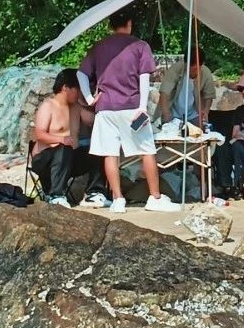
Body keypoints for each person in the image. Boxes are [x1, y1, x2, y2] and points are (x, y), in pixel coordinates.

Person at [78, 11, 178, 213]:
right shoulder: (140, 46)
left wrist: (89, 99)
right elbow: (144, 78)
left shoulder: (99, 47)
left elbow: (81, 73)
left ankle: (117, 199)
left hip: (105, 108)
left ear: (111, 25)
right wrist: (142, 107)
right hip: (131, 106)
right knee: (147, 150)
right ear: (129, 23)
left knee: (110, 153)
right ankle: (155, 197)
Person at [30, 69, 82, 205]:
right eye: (77, 89)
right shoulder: (48, 106)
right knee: (64, 148)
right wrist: (61, 139)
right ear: (66, 87)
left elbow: (92, 119)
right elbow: (39, 134)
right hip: (44, 159)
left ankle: (95, 192)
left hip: (69, 159)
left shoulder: (76, 108)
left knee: (96, 153)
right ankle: (56, 195)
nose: (80, 93)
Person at [157, 47, 217, 127]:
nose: (191, 71)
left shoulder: (206, 73)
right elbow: (164, 92)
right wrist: (166, 114)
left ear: (201, 65)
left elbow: (209, 96)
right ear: (185, 63)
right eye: (189, 67)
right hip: (173, 113)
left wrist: (205, 112)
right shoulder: (175, 69)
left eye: (195, 69)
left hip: (194, 113)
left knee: (199, 135)